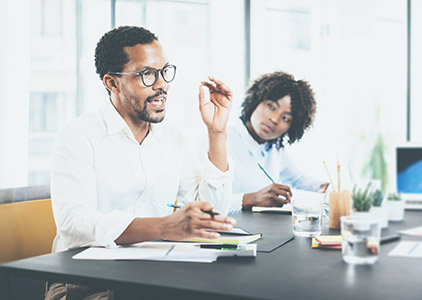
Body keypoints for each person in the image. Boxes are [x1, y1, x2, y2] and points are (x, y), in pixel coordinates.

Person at [46, 26, 235, 300]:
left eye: (164, 72)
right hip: (85, 283)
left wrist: (216, 133)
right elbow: (75, 224)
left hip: (156, 277)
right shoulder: (78, 136)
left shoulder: (172, 137)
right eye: (147, 74)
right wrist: (164, 226)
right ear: (112, 83)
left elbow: (210, 216)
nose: (161, 85)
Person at [227, 71, 328, 214]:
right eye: (271, 106)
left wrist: (326, 187)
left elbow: (299, 179)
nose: (274, 119)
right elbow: (194, 202)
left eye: (286, 118)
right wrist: (249, 199)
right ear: (256, 101)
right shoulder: (219, 137)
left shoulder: (274, 149)